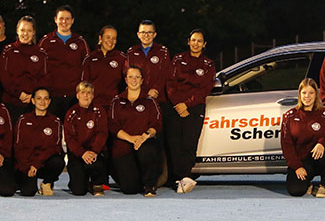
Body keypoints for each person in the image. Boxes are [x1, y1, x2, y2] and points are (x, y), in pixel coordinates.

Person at [166, 29, 216, 193]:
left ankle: (185, 178)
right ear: (188, 42)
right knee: (174, 144)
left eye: (199, 41)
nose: (196, 43)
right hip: (176, 106)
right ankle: (176, 178)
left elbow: (205, 89)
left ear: (204, 44)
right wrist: (178, 104)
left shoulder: (208, 64)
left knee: (189, 144)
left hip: (194, 108)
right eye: (193, 40)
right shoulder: (178, 59)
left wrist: (186, 105)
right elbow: (171, 84)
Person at [109, 66, 162, 196]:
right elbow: (113, 126)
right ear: (126, 80)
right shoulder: (117, 101)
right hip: (124, 146)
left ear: (142, 80)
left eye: (137, 77)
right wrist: (131, 138)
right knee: (130, 189)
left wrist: (144, 136)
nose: (134, 80)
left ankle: (150, 185)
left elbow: (157, 124)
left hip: (144, 143)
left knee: (147, 150)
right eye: (131, 77)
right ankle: (136, 180)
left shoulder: (150, 101)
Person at [280, 78, 325, 197]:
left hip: (318, 158)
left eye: (311, 93)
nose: (307, 96)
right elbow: (286, 145)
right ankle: (308, 183)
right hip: (301, 161)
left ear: (316, 95)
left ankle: (323, 185)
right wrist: (297, 166)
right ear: (300, 94)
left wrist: (322, 143)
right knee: (296, 191)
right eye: (304, 93)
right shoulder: (290, 116)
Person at [38, 5, 89, 119]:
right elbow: (38, 67)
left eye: (67, 19)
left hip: (73, 95)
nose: (64, 22)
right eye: (61, 18)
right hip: (52, 95)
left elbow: (86, 67)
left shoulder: (80, 42)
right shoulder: (46, 41)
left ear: (72, 21)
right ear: (55, 20)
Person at [14, 87, 65, 196]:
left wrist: (36, 165)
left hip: (42, 163)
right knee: (28, 192)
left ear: (50, 101)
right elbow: (18, 147)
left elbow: (54, 148)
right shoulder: (23, 120)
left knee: (58, 161)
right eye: (39, 98)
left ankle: (47, 182)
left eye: (46, 98)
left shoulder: (55, 121)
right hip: (26, 164)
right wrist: (28, 166)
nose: (42, 101)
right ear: (33, 101)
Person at [0, 16, 47, 122]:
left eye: (29, 31)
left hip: (32, 103)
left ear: (33, 32)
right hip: (11, 102)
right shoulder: (8, 51)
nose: (25, 34)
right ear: (17, 30)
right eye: (22, 30)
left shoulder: (40, 53)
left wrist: (32, 95)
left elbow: (42, 78)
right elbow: (4, 77)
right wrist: (19, 93)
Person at [64, 81, 108, 196]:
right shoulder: (71, 113)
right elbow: (69, 138)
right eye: (83, 92)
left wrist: (94, 151)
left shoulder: (99, 111)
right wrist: (82, 153)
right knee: (79, 191)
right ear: (77, 95)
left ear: (93, 96)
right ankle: (78, 181)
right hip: (78, 155)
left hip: (94, 154)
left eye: (89, 93)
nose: (86, 95)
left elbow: (102, 133)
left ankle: (97, 182)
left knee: (97, 164)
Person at [81, 25, 126, 110]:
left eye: (114, 38)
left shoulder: (121, 58)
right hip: (93, 105)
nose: (111, 41)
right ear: (100, 38)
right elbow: (84, 84)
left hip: (114, 106)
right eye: (108, 37)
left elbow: (129, 80)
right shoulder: (90, 58)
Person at [126, 20, 171, 105]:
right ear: (138, 35)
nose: (146, 35)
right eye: (143, 32)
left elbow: (165, 74)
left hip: (157, 98)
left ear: (154, 35)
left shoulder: (162, 51)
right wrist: (143, 91)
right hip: (136, 97)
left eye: (149, 32)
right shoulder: (131, 52)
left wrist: (156, 90)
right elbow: (128, 73)